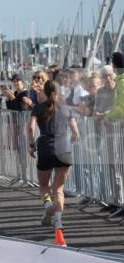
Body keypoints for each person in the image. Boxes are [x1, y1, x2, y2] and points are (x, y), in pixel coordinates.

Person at [29, 80, 79, 235]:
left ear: (44, 91)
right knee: (58, 189)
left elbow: (30, 127)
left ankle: (47, 206)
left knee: (44, 186)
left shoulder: (38, 108)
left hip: (45, 146)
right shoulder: (66, 109)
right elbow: (76, 132)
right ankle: (58, 221)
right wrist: (70, 141)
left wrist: (31, 145)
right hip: (63, 147)